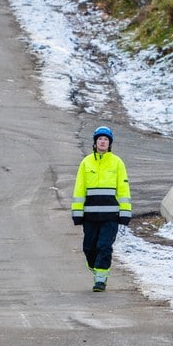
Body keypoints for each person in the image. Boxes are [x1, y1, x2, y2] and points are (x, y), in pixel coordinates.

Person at [71, 125, 132, 292]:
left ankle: (100, 280)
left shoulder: (117, 163)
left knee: (104, 246)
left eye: (106, 139)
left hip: (111, 215)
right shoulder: (86, 163)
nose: (103, 142)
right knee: (89, 248)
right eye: (100, 139)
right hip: (90, 215)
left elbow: (123, 189)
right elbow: (79, 189)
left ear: (110, 143)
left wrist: (125, 214)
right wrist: (77, 213)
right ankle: (94, 266)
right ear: (95, 142)